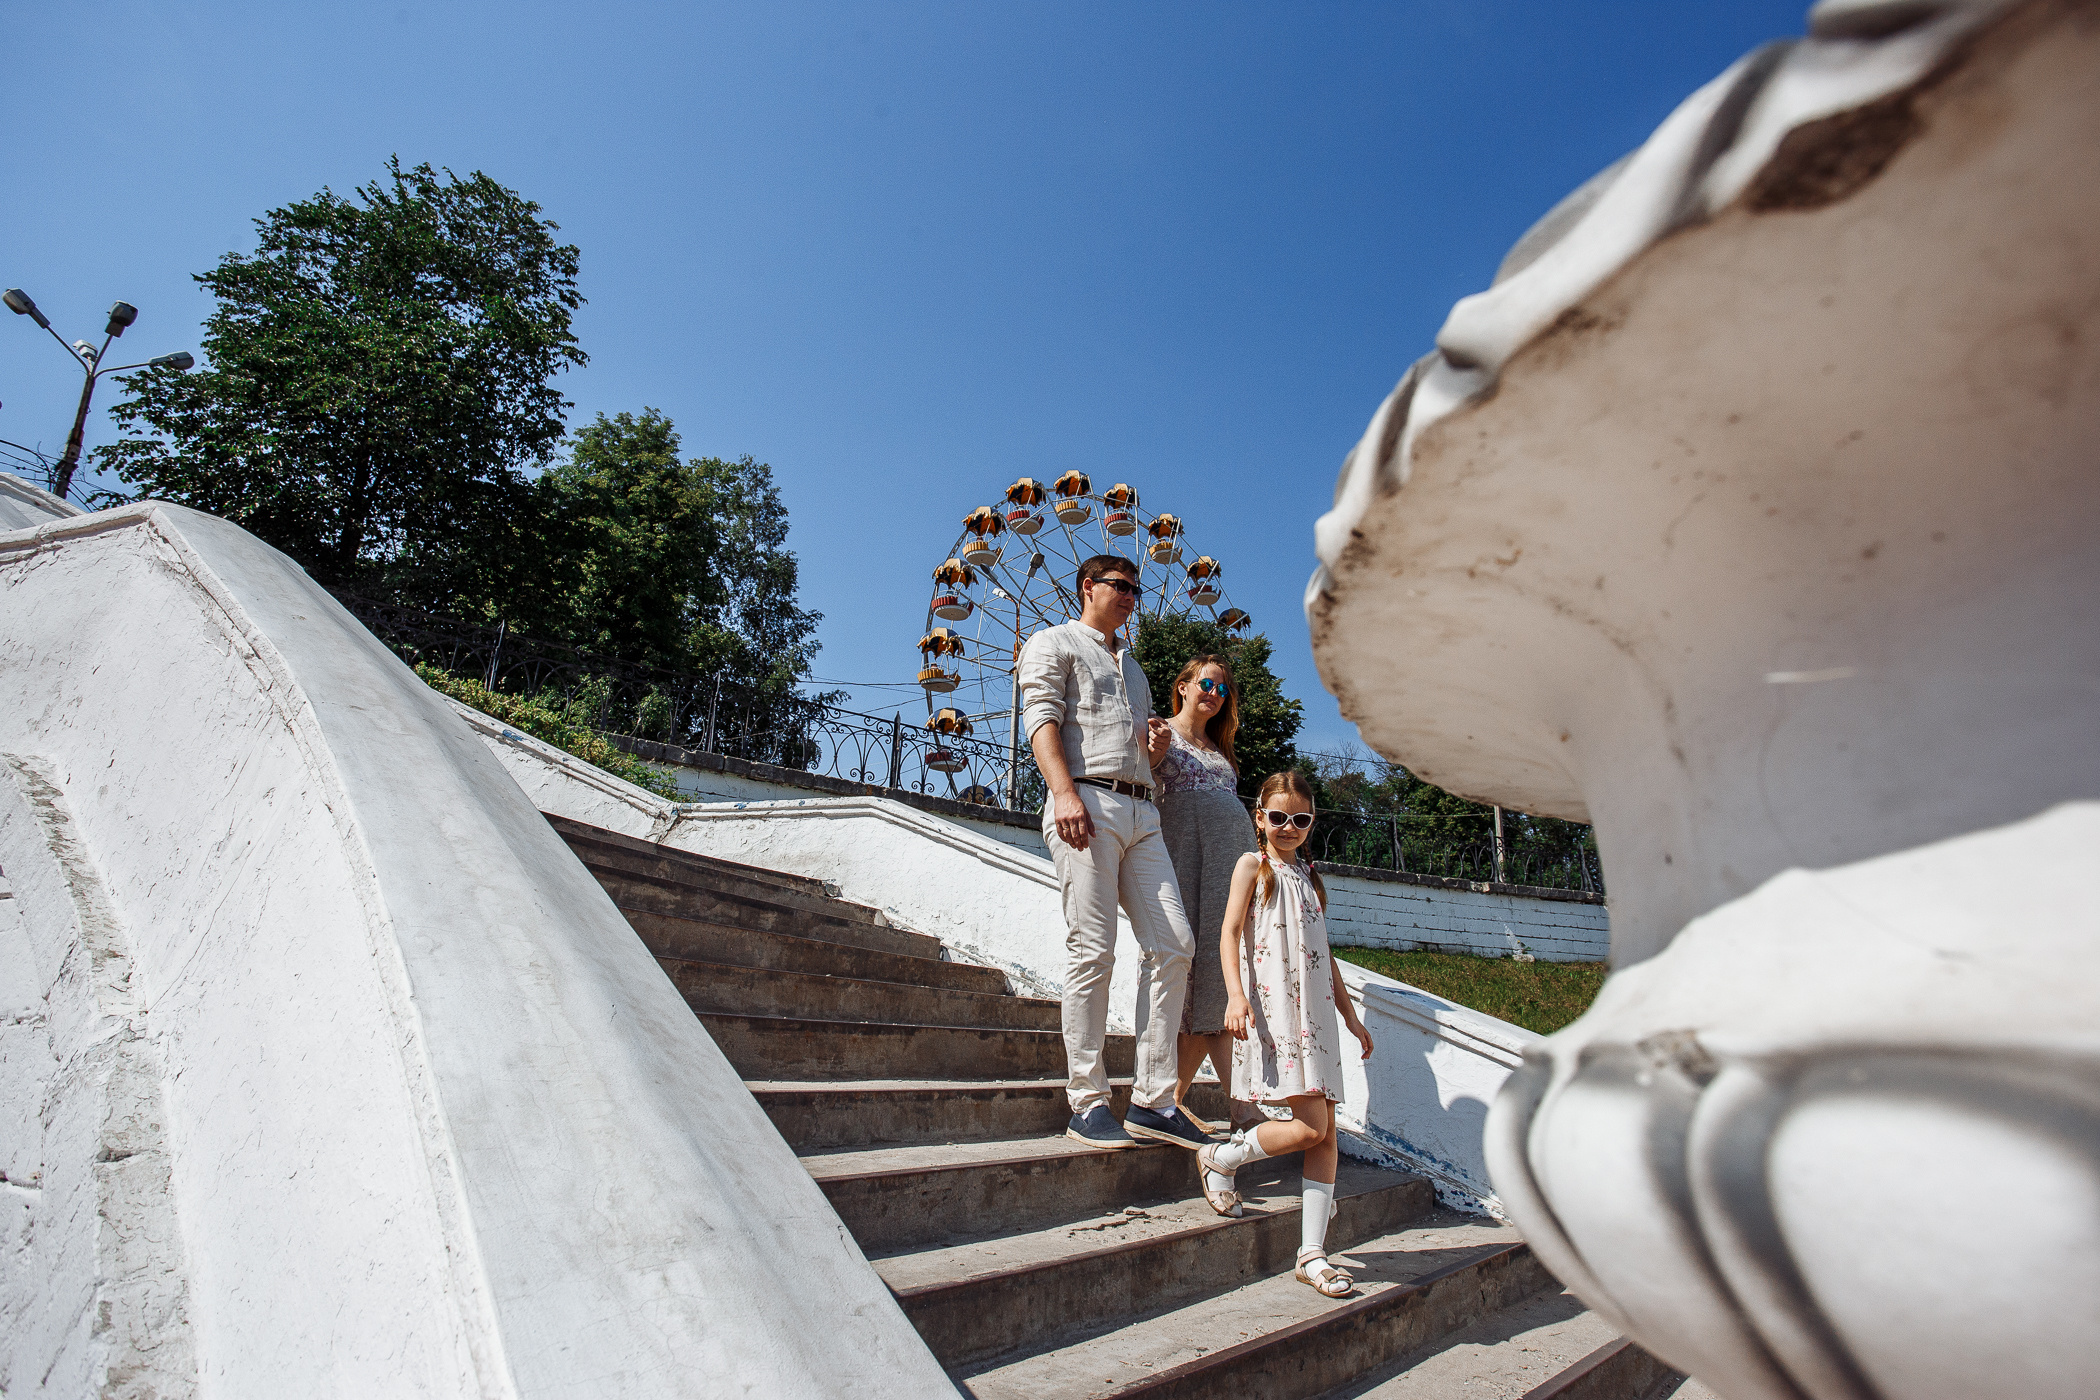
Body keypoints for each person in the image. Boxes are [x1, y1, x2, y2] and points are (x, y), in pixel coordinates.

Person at [1018, 554, 1209, 1152]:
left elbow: (1142, 756)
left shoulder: (1136, 668)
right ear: (1088, 587)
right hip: (1087, 801)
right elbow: (1041, 719)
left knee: (1174, 944)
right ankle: (1087, 1102)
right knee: (1093, 948)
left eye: (1135, 589)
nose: (1130, 596)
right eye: (1119, 586)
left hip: (1142, 810)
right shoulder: (1052, 643)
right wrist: (1063, 793)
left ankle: (1154, 1100)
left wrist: (1156, 750)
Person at [1195, 770, 1376, 1296]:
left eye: (1300, 819)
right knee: (1308, 1128)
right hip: (1278, 1013)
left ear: (1312, 822)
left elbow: (1325, 956)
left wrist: (1350, 1017)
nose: (1289, 827)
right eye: (1278, 817)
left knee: (1327, 1133)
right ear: (1260, 818)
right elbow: (1229, 933)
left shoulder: (1310, 878)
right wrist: (1235, 995)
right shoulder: (1252, 866)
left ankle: (1312, 1254)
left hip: (1318, 1017)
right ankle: (1221, 1156)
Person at [1151, 654, 1259, 1135]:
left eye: (1223, 688)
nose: (1215, 693)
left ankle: (1174, 1099)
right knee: (1198, 980)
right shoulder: (1161, 734)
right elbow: (1144, 784)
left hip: (1228, 871)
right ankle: (1241, 1109)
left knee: (1213, 980)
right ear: (1183, 686)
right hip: (1186, 867)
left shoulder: (1220, 751)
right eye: (1206, 684)